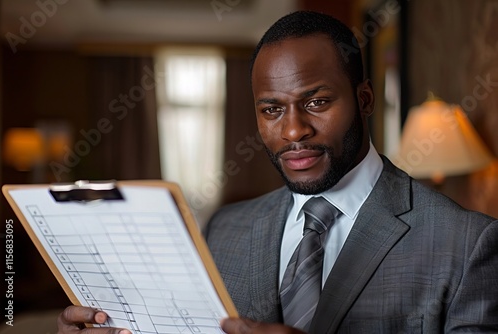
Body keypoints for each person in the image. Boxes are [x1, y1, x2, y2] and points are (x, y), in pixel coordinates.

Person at [57, 11, 498, 334]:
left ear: (364, 100)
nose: (292, 131)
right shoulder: (225, 228)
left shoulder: (468, 245)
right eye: (271, 110)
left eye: (317, 102)